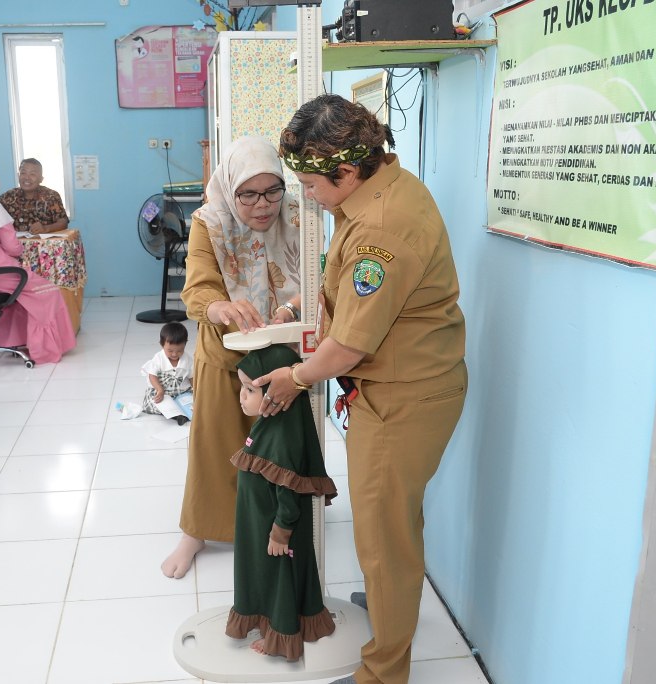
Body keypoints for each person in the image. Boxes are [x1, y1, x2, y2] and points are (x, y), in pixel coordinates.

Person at [254, 94, 468, 684]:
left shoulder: (381, 229)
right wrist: (302, 307)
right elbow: (348, 293)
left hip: (402, 400)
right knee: (394, 527)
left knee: (383, 544)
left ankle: (383, 673)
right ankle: (392, 607)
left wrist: (294, 379)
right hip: (406, 386)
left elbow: (350, 347)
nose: (307, 195)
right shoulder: (382, 188)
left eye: (310, 185)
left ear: (345, 171)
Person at [160, 136, 303, 579]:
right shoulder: (210, 222)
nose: (263, 205)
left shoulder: (299, 215)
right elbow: (198, 287)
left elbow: (319, 274)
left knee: (278, 447)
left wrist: (293, 307)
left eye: (272, 191)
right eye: (249, 194)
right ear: (229, 188)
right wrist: (221, 307)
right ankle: (198, 530)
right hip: (225, 352)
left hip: (282, 355)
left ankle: (279, 525)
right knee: (215, 444)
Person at [225, 344, 337, 662]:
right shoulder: (266, 427)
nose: (242, 397)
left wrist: (281, 530)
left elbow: (287, 488)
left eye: (249, 390)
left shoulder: (283, 437)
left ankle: (282, 631)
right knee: (262, 574)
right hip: (257, 522)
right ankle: (266, 619)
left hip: (274, 528)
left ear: (275, 396)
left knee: (278, 576)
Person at [0, 166, 76, 365]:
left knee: (21, 296)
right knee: (48, 292)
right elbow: (14, 249)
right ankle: (44, 349)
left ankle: (8, 340)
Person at [0, 158, 69, 235]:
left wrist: (46, 228)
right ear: (18, 175)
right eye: (23, 173)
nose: (27, 178)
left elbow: (63, 222)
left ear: (41, 179)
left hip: (45, 245)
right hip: (14, 245)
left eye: (32, 174)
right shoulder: (7, 197)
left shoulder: (51, 196)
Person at [141, 321, 194, 425]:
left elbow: (192, 377)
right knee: (155, 403)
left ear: (185, 344)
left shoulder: (188, 359)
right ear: (162, 344)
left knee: (193, 403)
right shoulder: (158, 358)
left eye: (179, 350)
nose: (174, 354)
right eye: (170, 351)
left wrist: (197, 391)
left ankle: (182, 413)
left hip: (182, 392)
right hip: (163, 392)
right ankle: (176, 415)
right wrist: (159, 390)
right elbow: (152, 376)